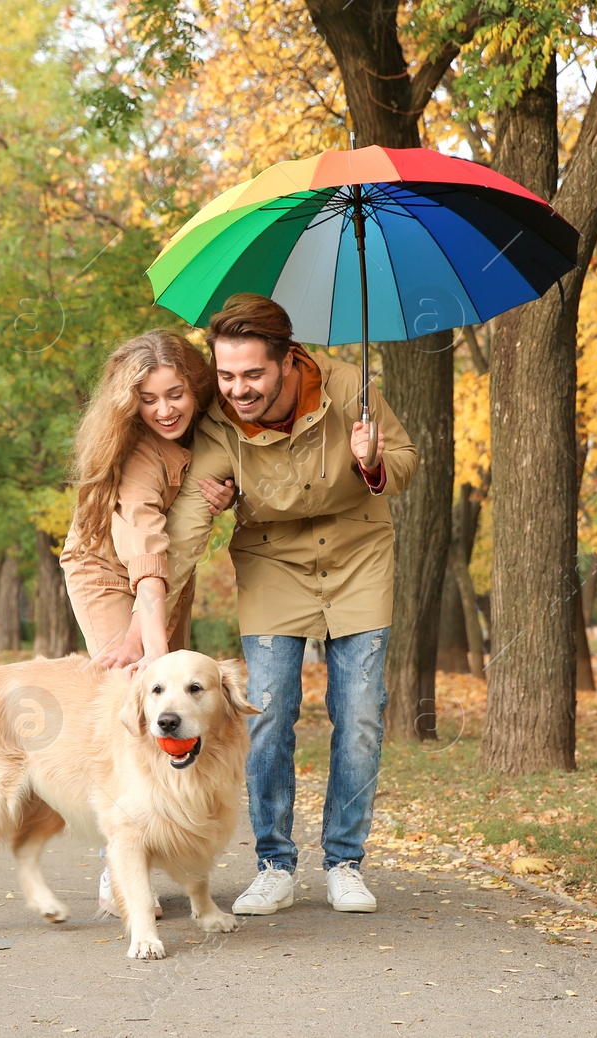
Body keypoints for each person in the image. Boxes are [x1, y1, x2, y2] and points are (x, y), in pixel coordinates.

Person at [139, 293, 418, 915]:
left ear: (289, 360)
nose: (237, 389)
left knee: (362, 716)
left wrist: (374, 462)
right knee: (265, 715)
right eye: (227, 374)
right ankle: (274, 864)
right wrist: (150, 596)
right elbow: (187, 519)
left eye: (252, 375)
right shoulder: (219, 417)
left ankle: (345, 862)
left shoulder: (350, 387)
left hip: (357, 555)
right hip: (271, 563)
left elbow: (403, 463)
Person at [60, 328, 234, 916]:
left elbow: (175, 542)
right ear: (129, 403)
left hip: (166, 575)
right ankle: (121, 864)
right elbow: (145, 548)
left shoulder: (210, 427)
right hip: (109, 571)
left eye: (175, 394)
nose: (164, 410)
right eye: (149, 399)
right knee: (136, 697)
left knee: (175, 705)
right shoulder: (136, 455)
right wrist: (146, 641)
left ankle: (169, 847)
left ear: (196, 385)